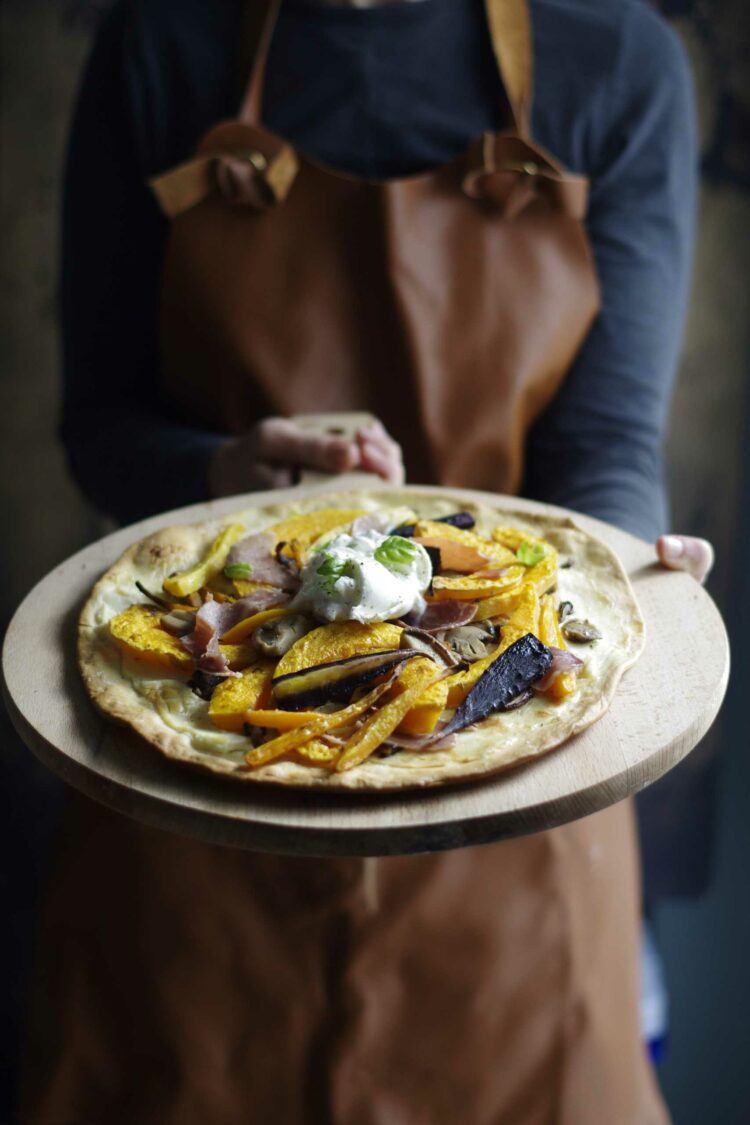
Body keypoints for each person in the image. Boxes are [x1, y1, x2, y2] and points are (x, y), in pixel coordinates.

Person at [21, 0, 712, 1121]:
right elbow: (100, 426)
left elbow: (607, 447)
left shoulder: (616, 58)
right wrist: (220, 471)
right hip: (200, 788)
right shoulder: (163, 40)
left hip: (519, 789)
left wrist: (630, 558)